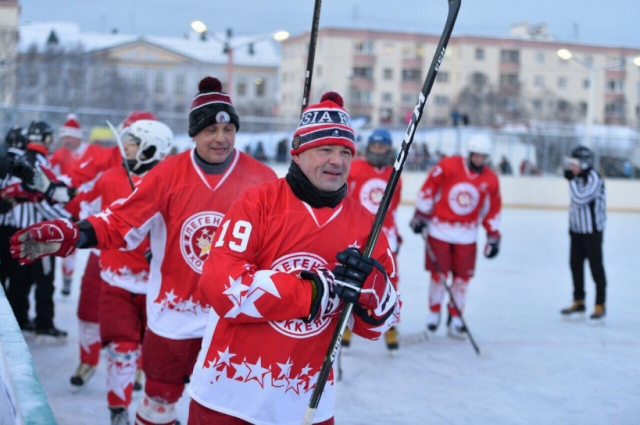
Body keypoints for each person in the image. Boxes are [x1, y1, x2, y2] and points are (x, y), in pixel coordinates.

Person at [10, 76, 277, 425]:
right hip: (174, 316)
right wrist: (73, 235)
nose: (221, 138)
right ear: (193, 134)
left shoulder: (262, 178)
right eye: (210, 130)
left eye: (228, 130)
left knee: (225, 410)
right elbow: (119, 220)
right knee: (157, 405)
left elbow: (279, 242)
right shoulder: (168, 174)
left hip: (232, 317)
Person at [187, 92, 400, 424]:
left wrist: (377, 299)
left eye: (346, 152)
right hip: (228, 399)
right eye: (324, 149)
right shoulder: (258, 203)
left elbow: (379, 325)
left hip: (307, 407)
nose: (337, 161)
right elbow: (221, 287)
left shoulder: (367, 228)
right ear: (298, 153)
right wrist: (312, 292)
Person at [410, 134, 501, 339]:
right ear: (469, 153)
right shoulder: (448, 165)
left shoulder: (490, 179)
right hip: (439, 229)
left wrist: (493, 235)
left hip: (467, 233)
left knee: (462, 278)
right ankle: (434, 313)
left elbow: (492, 209)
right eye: (476, 156)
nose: (479, 160)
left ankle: (456, 315)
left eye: (483, 157)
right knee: (438, 276)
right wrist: (421, 214)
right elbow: (429, 188)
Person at [4, 120, 71, 340]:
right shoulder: (38, 163)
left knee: (20, 279)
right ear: (44, 138)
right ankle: (44, 323)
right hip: (36, 232)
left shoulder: (21, 159)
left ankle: (20, 319)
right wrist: (70, 221)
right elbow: (44, 199)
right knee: (44, 279)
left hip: (15, 229)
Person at [344, 128, 401, 352]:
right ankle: (347, 321)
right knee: (353, 278)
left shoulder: (395, 172)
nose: (378, 151)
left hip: (387, 236)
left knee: (390, 279)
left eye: (382, 147)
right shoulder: (356, 169)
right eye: (375, 146)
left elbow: (393, 206)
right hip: (358, 232)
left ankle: (391, 323)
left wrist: (397, 233)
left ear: (388, 149)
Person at [49, 114, 104, 296]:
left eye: (69, 136)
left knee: (96, 244)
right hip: (68, 208)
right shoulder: (59, 155)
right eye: (64, 137)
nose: (66, 140)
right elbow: (50, 175)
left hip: (90, 206)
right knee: (68, 244)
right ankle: (67, 280)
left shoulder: (95, 152)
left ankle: (98, 278)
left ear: (79, 136)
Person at [560, 146, 608, 321]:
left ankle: (600, 304)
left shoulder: (594, 178)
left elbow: (580, 200)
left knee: (596, 268)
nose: (571, 167)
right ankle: (579, 301)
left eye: (575, 163)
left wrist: (571, 181)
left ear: (584, 163)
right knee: (575, 266)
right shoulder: (578, 178)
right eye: (571, 163)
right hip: (577, 231)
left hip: (592, 233)